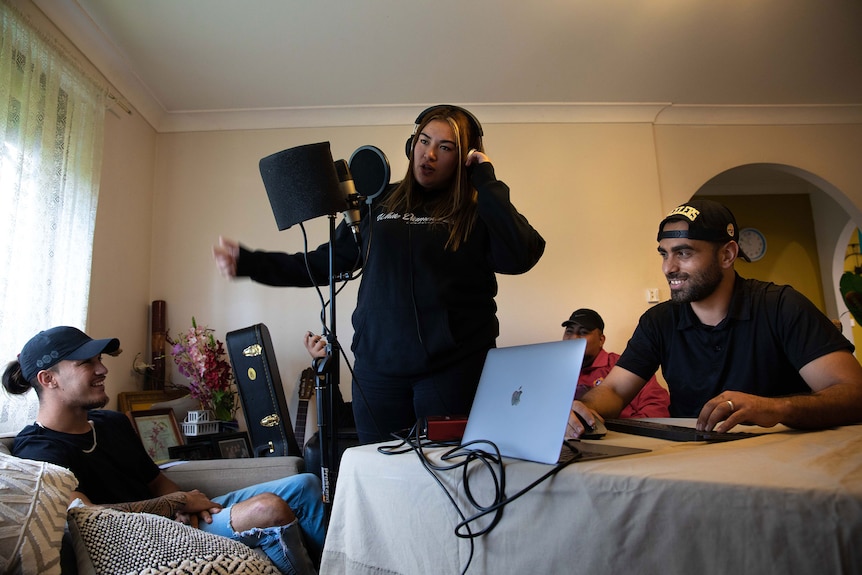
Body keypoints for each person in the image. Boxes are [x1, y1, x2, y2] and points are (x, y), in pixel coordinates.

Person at [214, 105, 545, 443]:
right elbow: (326, 262)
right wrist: (250, 263)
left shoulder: (477, 210)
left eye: (445, 147)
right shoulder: (380, 202)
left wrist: (485, 180)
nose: (428, 154)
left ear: (466, 157)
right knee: (381, 477)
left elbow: (521, 255)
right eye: (423, 141)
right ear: (410, 144)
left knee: (448, 479)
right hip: (378, 374)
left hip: (453, 371)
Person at [3, 326, 325, 575]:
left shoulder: (112, 423)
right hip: (146, 539)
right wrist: (175, 504)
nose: (102, 369)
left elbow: (158, 481)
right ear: (48, 379)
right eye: (87, 362)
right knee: (269, 509)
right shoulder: (38, 450)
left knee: (306, 485)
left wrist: (188, 508)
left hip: (176, 518)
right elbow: (88, 518)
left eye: (100, 359)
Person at [569, 199, 862, 438]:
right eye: (664, 254)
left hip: (782, 457)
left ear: (727, 255)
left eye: (683, 253)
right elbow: (615, 390)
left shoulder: (781, 306)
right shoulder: (659, 321)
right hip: (696, 460)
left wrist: (776, 408)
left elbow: (854, 393)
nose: (668, 268)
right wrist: (579, 409)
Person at [562, 308, 669, 418]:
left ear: (601, 340)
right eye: (569, 331)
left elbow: (657, 408)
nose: (574, 338)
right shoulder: (554, 371)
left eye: (583, 332)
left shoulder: (624, 367)